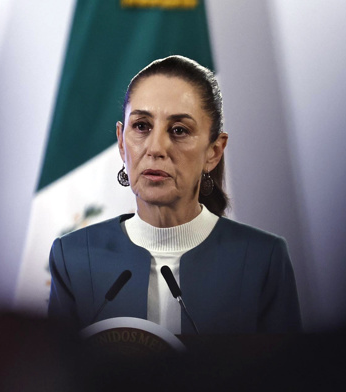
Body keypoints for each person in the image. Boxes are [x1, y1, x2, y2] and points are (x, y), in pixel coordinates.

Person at [47, 56, 302, 333]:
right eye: (142, 126)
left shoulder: (262, 260)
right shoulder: (73, 257)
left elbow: (284, 376)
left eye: (179, 130)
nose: (156, 148)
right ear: (121, 143)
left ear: (213, 151)